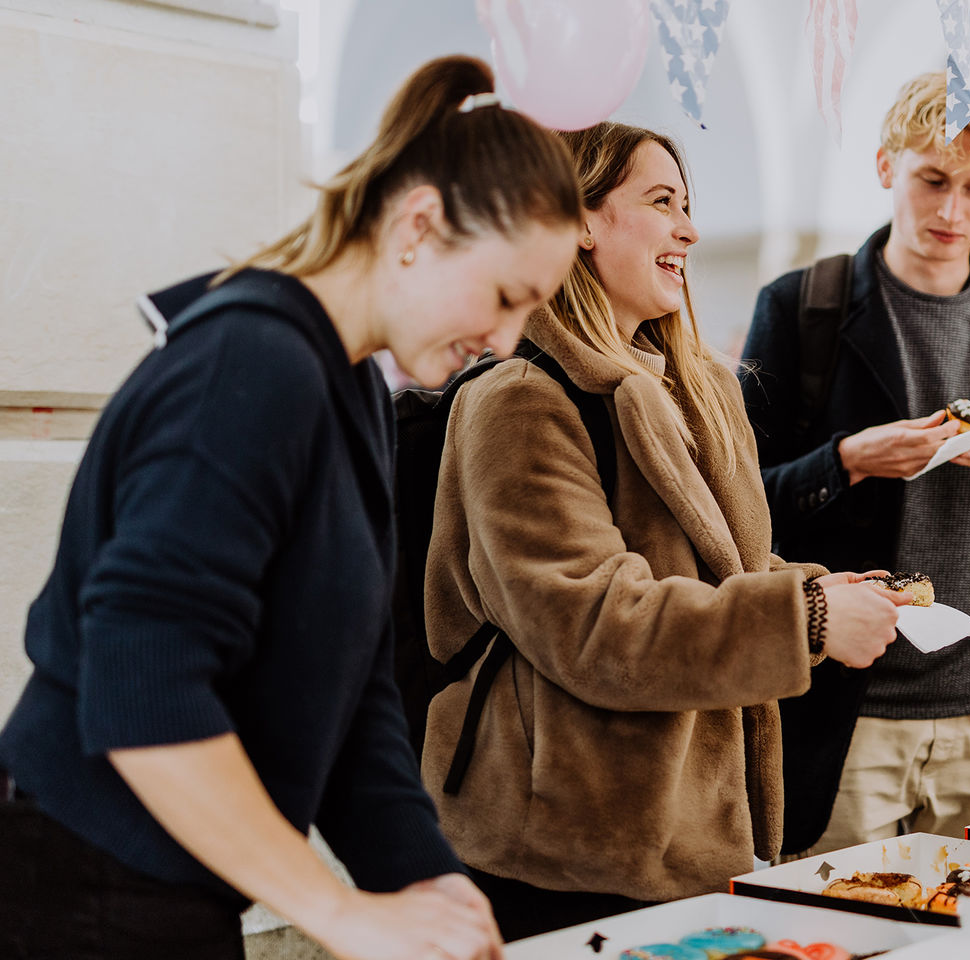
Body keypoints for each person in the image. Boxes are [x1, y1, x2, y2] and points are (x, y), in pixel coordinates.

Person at [0, 55, 582, 960]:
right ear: (418, 226)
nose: (505, 342)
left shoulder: (349, 390)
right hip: (84, 882)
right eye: (507, 297)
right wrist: (339, 911)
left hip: (166, 885)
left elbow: (352, 696)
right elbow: (141, 683)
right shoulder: (253, 363)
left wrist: (430, 883)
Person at [420, 121, 908, 941]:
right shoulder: (520, 397)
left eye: (688, 206)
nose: (687, 228)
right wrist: (808, 620)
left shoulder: (698, 390)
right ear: (579, 222)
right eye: (660, 202)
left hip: (696, 835)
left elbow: (722, 572)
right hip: (568, 852)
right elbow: (591, 622)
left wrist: (812, 587)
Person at [740, 72, 970, 856]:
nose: (952, 211)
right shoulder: (803, 306)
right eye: (932, 180)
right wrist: (848, 461)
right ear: (885, 167)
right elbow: (739, 513)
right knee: (836, 936)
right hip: (847, 711)